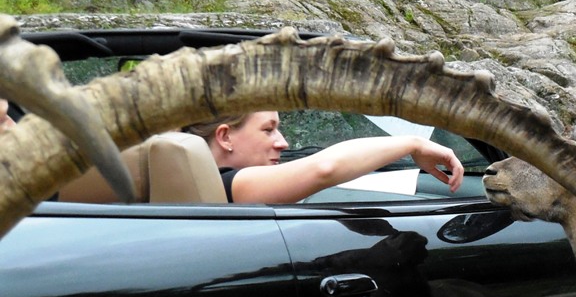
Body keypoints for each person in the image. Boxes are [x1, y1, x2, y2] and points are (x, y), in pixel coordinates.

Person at [182, 111, 463, 203]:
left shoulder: (192, 190)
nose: (283, 142)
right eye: (268, 130)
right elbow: (325, 168)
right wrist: (413, 144)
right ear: (225, 137)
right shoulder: (227, 187)